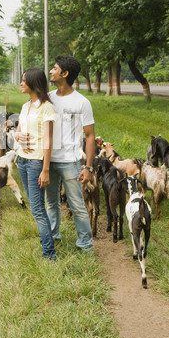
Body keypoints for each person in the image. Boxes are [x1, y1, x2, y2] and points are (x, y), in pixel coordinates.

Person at [45, 55, 95, 252]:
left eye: (55, 68)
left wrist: (88, 167)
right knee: (51, 203)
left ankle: (85, 244)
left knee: (77, 206)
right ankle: (53, 237)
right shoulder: (47, 98)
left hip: (70, 162)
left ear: (64, 74)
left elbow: (90, 136)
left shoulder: (82, 102)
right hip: (48, 162)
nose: (51, 71)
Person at [15, 68, 57, 260]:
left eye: (24, 80)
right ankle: (47, 243)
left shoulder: (46, 107)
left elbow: (48, 140)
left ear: (33, 82)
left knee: (38, 209)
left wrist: (45, 170)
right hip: (22, 161)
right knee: (36, 206)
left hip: (35, 163)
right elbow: (18, 131)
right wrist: (17, 136)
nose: (21, 83)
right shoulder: (26, 107)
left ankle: (50, 254)